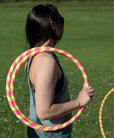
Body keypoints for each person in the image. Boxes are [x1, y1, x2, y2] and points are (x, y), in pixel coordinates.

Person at [25, 3, 94, 138]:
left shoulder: (34, 55)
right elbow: (44, 111)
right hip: (47, 135)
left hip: (40, 131)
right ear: (52, 25)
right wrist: (79, 102)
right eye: (60, 21)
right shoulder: (46, 61)